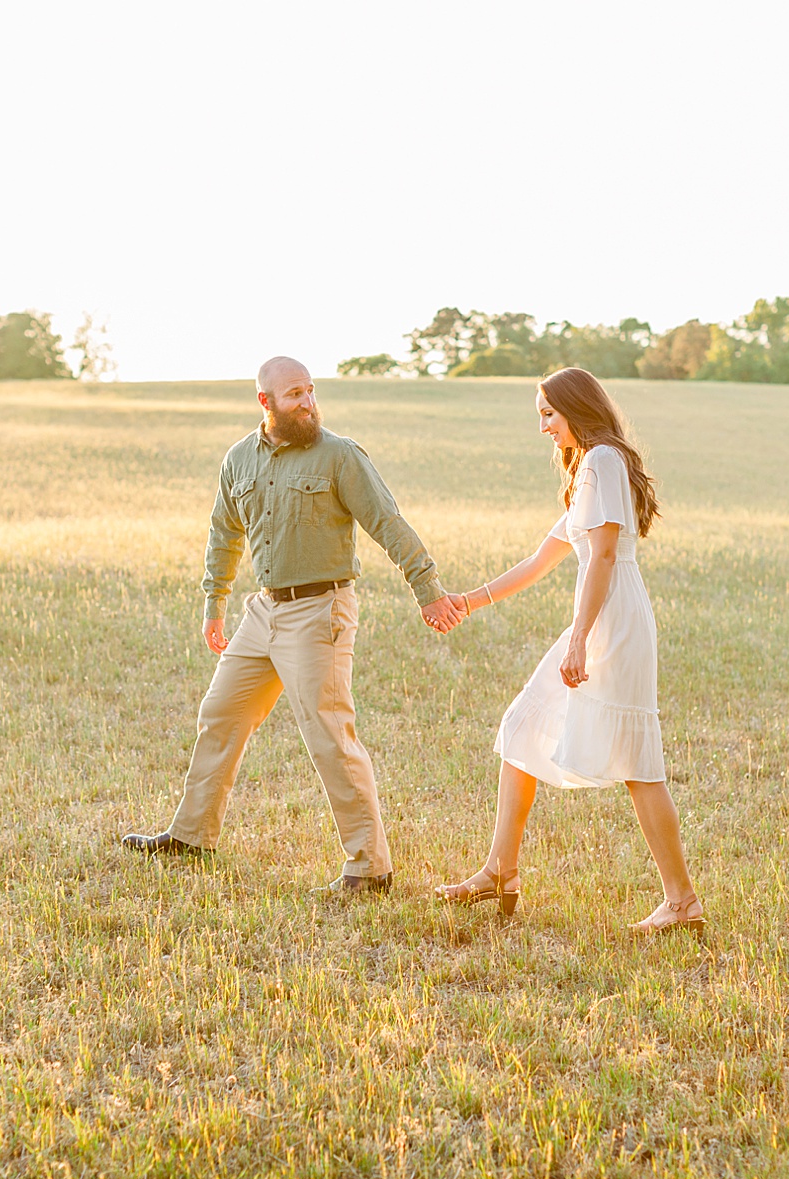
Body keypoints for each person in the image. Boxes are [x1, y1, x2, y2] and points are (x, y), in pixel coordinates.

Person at [122, 356, 465, 893]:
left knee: (329, 734)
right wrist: (215, 603)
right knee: (220, 712)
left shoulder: (339, 456)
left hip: (320, 610)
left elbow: (387, 522)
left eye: (310, 391)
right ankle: (190, 836)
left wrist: (428, 591)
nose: (307, 402)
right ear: (266, 403)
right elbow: (224, 532)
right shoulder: (239, 459)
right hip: (262, 611)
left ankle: (369, 867)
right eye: (294, 395)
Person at [434, 366, 703, 933]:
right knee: (522, 726)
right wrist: (468, 600)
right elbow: (541, 560)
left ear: (576, 409)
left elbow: (603, 557)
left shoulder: (604, 461)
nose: (543, 429)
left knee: (637, 763)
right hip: (603, 615)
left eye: (548, 415)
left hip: (612, 620)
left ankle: (681, 901)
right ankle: (499, 871)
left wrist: (579, 638)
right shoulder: (592, 468)